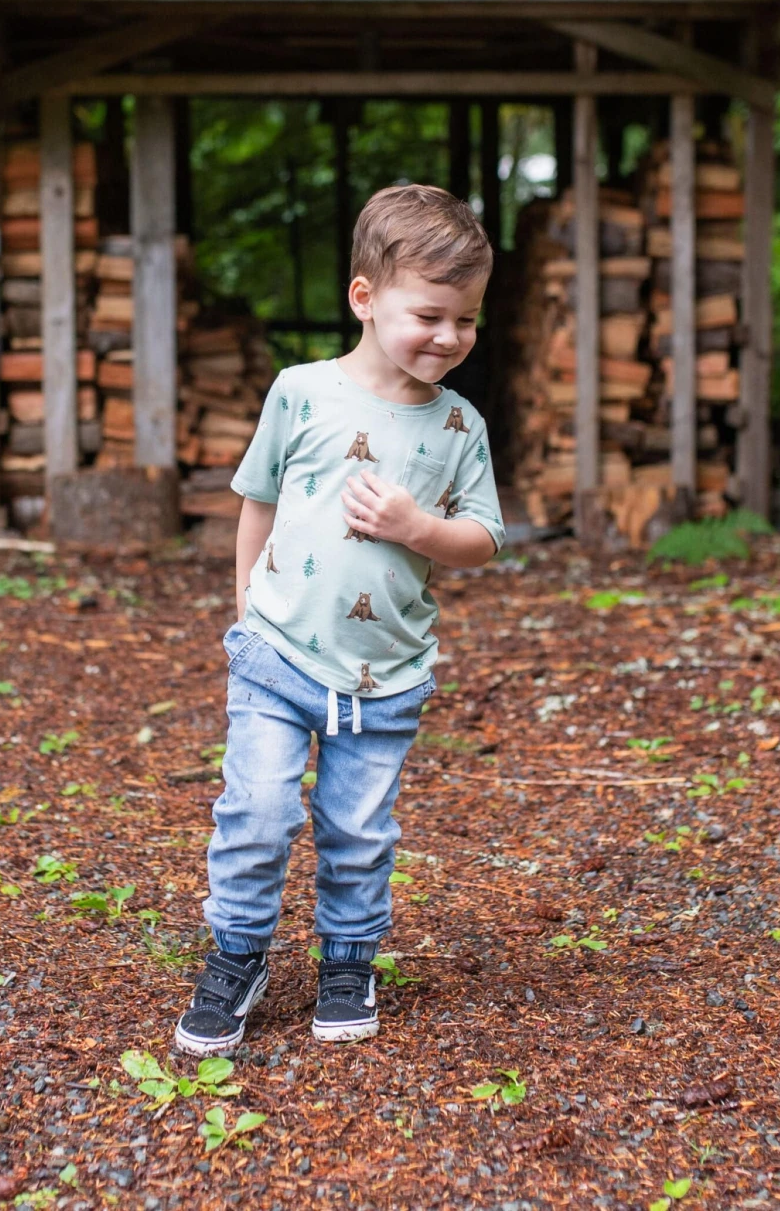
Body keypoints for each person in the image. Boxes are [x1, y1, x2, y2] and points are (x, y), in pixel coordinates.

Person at [173, 183, 505, 1053]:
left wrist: (419, 529)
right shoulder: (301, 392)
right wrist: (246, 603)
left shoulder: (461, 427)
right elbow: (257, 499)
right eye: (429, 314)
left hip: (385, 670)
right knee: (256, 811)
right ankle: (236, 955)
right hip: (277, 655)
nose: (450, 337)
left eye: (467, 320)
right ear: (365, 298)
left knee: (357, 831)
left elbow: (483, 539)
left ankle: (349, 960)